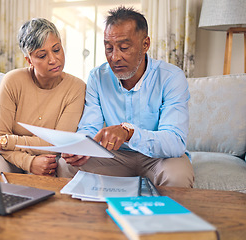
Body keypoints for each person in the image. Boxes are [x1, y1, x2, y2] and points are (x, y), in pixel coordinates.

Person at [58, 7, 194, 188]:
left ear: (145, 44)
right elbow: (90, 127)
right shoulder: (97, 77)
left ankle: (164, 217)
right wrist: (80, 146)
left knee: (177, 175)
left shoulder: (171, 77)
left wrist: (129, 133)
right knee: (66, 166)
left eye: (124, 48)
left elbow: (175, 141)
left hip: (159, 158)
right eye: (108, 48)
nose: (115, 57)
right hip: (114, 157)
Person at [0, 18, 86, 176]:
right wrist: (29, 162)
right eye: (42, 55)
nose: (53, 60)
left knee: (45, 172)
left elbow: (58, 142)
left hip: (47, 158)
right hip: (10, 158)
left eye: (56, 50)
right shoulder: (12, 81)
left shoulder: (76, 88)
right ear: (29, 60)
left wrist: (6, 141)